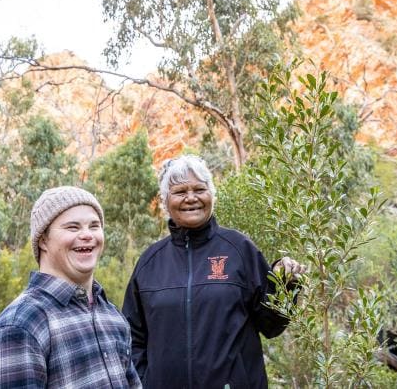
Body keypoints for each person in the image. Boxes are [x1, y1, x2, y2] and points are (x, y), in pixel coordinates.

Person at [122, 155, 306, 389]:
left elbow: (272, 325)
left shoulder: (239, 249)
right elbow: (132, 338)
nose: (191, 198)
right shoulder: (150, 262)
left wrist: (284, 284)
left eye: (200, 189)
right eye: (180, 192)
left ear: (211, 195)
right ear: (165, 201)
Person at [0, 186, 141, 388]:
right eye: (73, 227)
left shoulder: (112, 316)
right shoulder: (19, 326)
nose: (87, 235)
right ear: (43, 240)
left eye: (94, 226)